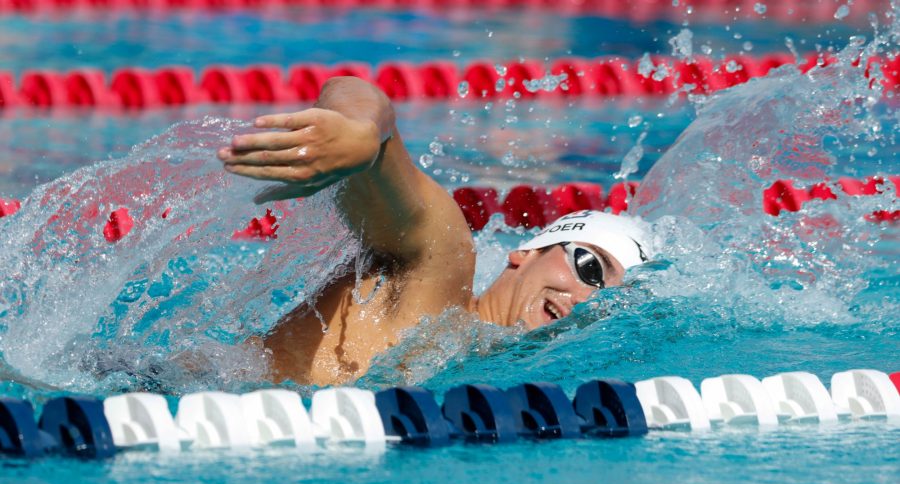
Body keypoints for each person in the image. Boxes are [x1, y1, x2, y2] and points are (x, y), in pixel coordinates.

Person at [218, 76, 650, 385]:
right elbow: (356, 90)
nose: (588, 299)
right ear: (526, 252)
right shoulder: (441, 274)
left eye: (610, 300)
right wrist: (362, 137)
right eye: (590, 267)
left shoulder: (486, 377)